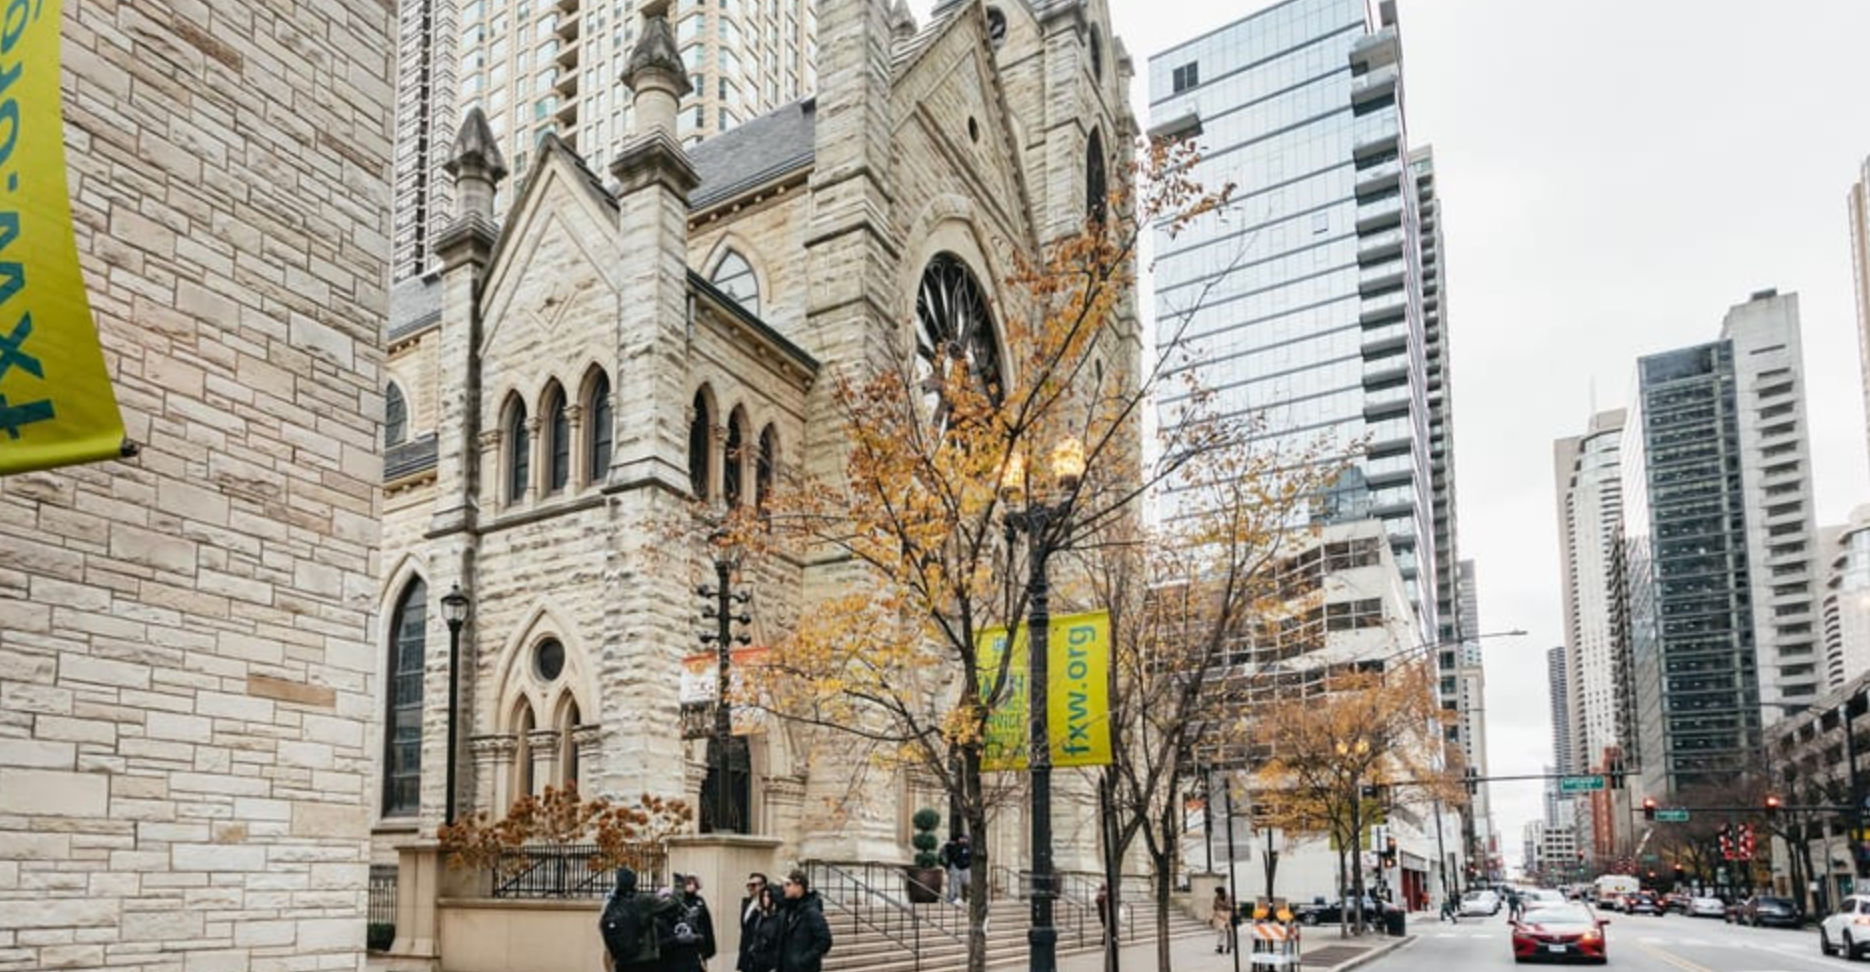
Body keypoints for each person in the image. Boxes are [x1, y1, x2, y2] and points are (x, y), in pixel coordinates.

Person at [600, 868, 678, 972]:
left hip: (622, 960)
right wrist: (679, 885)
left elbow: (602, 926)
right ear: (634, 883)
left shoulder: (612, 903)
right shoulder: (643, 900)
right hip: (644, 959)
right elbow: (672, 904)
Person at [776, 869, 832, 972]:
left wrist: (803, 961)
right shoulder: (789, 909)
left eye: (788, 884)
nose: (784, 888)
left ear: (799, 887)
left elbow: (825, 940)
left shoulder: (811, 912)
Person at [660, 873, 717, 972]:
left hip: (695, 950)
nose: (691, 886)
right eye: (688, 882)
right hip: (676, 951)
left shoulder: (699, 902)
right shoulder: (675, 901)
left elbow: (706, 925)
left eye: (693, 883)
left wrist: (708, 949)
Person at [737, 885, 781, 972]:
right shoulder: (758, 916)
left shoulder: (778, 918)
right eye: (763, 896)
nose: (765, 899)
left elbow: (778, 942)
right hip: (756, 960)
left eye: (768, 896)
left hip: (770, 961)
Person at [938, 833, 972, 905]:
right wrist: (947, 865)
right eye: (963, 838)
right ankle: (953, 898)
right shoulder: (951, 846)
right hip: (955, 866)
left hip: (965, 867)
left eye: (966, 838)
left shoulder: (969, 847)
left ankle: (963, 898)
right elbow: (943, 855)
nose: (964, 840)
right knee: (954, 883)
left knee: (966, 883)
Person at [1211, 887, 1235, 954]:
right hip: (1220, 914)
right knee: (1222, 930)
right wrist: (1212, 917)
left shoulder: (1228, 897)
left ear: (1221, 892)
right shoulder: (1216, 898)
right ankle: (1220, 946)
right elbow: (1215, 907)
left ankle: (1228, 947)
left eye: (1218, 893)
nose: (1217, 894)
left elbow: (1230, 907)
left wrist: (1224, 907)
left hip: (1227, 914)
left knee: (1229, 931)